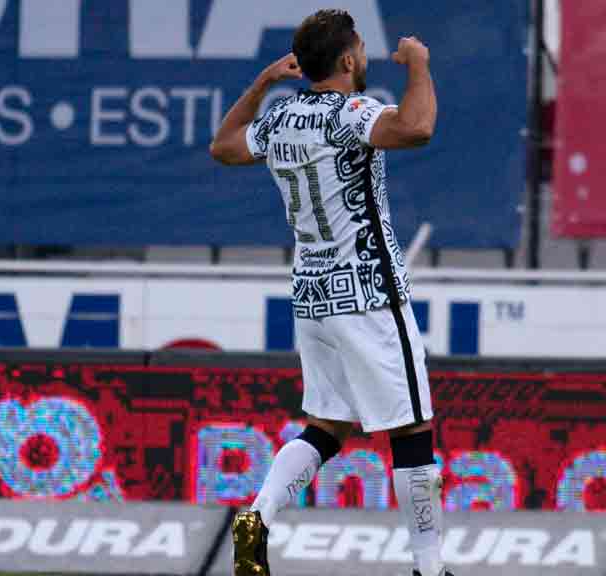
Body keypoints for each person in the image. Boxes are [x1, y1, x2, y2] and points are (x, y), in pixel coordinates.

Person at [210, 9, 449, 576]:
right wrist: (418, 65)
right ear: (347, 60)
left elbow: (223, 146)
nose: (364, 58)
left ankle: (258, 516)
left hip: (313, 297)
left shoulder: (284, 118)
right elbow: (416, 128)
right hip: (368, 293)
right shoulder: (352, 112)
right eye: (360, 50)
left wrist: (263, 83)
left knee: (327, 425)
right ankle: (430, 570)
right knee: (412, 429)